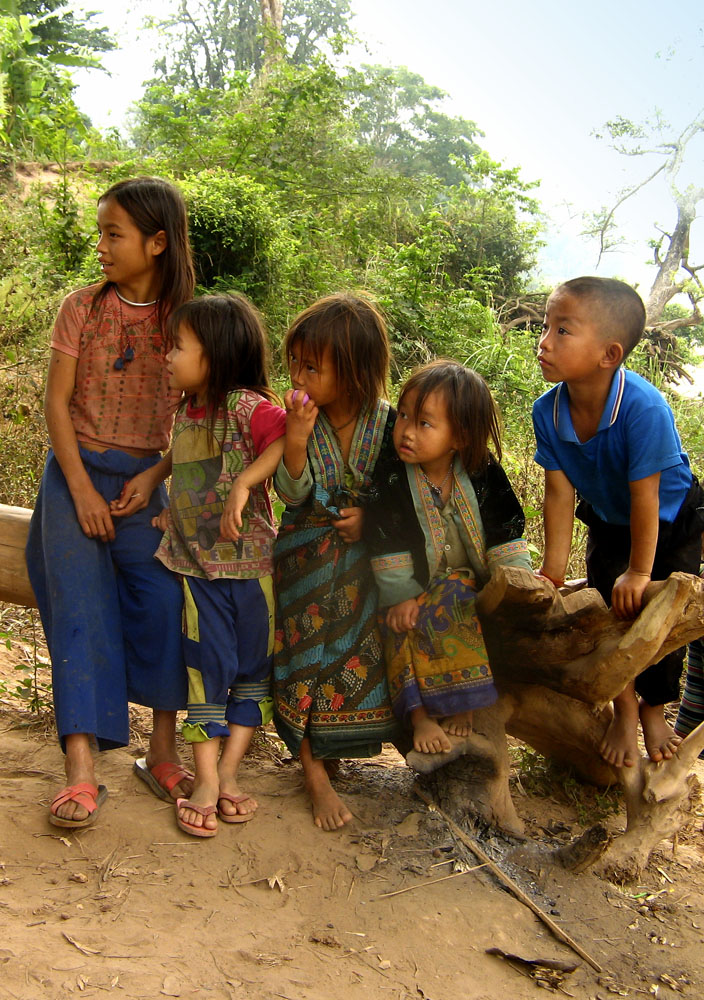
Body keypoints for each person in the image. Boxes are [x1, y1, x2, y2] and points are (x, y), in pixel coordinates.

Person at [26, 176, 196, 827]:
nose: (100, 245)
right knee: (80, 606)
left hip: (143, 484)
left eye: (112, 233)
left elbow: (198, 419)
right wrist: (78, 492)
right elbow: (56, 406)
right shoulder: (83, 308)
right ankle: (80, 771)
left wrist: (155, 477)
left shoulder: (186, 321)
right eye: (100, 232)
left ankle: (160, 751)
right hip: (74, 475)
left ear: (157, 243)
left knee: (161, 601)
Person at [533, 276, 704, 768]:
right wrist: (554, 567)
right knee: (609, 616)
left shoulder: (642, 408)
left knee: (663, 618)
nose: (544, 341)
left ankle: (654, 708)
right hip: (608, 521)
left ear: (609, 354)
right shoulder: (548, 410)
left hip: (668, 522)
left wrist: (640, 571)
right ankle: (623, 708)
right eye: (546, 327)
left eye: (563, 330)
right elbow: (559, 492)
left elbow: (646, 496)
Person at [152, 294, 286, 837]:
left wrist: (246, 485)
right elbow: (184, 467)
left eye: (179, 346)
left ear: (216, 355)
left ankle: (230, 773)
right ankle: (206, 780)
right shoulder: (186, 412)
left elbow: (282, 439)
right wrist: (171, 511)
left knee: (251, 675)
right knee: (204, 673)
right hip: (198, 573)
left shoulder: (245, 406)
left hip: (253, 572)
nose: (168, 356)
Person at [273, 293, 399, 831]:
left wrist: (370, 521)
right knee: (304, 660)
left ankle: (329, 750)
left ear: (351, 372)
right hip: (305, 566)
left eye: (312, 367)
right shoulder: (298, 419)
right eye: (295, 363)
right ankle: (312, 771)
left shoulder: (390, 425)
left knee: (348, 662)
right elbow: (291, 492)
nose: (299, 376)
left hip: (364, 575)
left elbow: (402, 494)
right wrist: (296, 438)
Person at [365, 360, 533, 755]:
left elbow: (505, 524)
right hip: (411, 585)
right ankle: (420, 716)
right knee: (396, 623)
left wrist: (517, 583)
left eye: (424, 423)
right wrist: (401, 594)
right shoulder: (390, 475)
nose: (405, 430)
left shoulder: (482, 471)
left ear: (459, 437)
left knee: (455, 596)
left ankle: (463, 703)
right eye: (403, 415)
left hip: (464, 583)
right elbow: (384, 534)